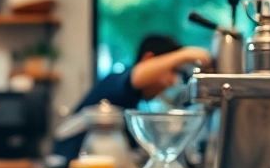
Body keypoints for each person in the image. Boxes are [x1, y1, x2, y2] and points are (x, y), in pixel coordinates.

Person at [52, 34, 211, 161]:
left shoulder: (132, 103)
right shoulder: (116, 81)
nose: (173, 81)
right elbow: (137, 75)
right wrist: (185, 55)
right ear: (148, 60)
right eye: (172, 70)